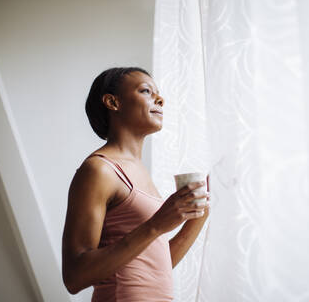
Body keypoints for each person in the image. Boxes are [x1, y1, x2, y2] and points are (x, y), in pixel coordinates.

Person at [61, 67, 210, 301]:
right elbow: (74, 277)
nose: (160, 99)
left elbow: (156, 265)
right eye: (146, 91)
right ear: (112, 102)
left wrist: (200, 214)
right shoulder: (99, 170)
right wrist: (156, 225)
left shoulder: (140, 172)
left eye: (158, 94)